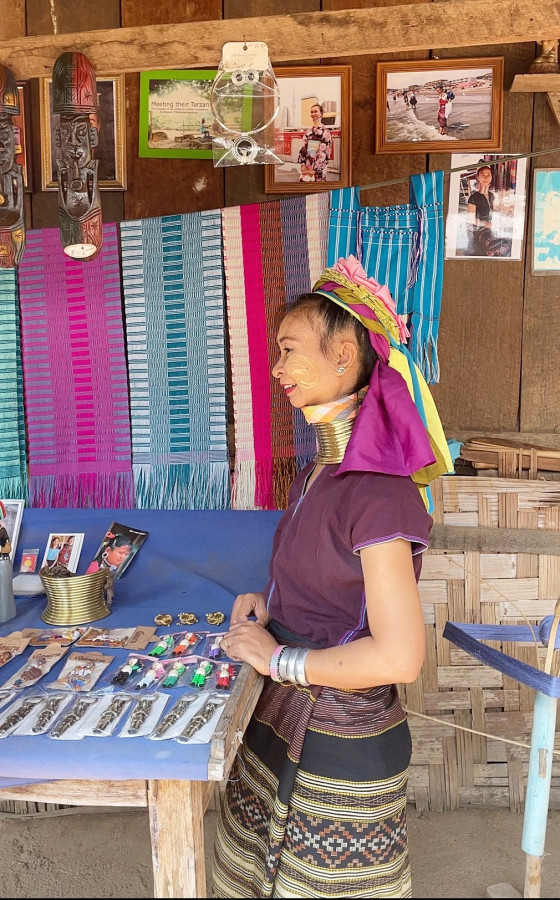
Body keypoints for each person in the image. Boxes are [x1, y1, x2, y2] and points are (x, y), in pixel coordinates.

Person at [212, 255, 452, 898]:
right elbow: (333, 590)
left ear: (344, 355)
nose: (277, 368)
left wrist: (278, 659)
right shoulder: (319, 473)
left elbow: (399, 656)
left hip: (340, 749)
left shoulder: (379, 493)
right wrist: (273, 606)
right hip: (283, 719)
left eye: (289, 350)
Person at [297, 103, 332, 183]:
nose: (313, 114)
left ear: (321, 114)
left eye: (315, 111)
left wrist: (314, 170)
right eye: (311, 112)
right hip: (307, 168)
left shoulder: (325, 132)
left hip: (319, 171)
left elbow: (325, 154)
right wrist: (303, 164)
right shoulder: (308, 132)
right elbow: (303, 149)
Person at [466, 161, 495, 256]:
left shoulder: (492, 196)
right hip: (479, 231)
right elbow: (471, 219)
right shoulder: (473, 198)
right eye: (483, 175)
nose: (486, 178)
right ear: (478, 177)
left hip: (491, 229)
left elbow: (494, 213)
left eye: (488, 175)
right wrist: (485, 224)